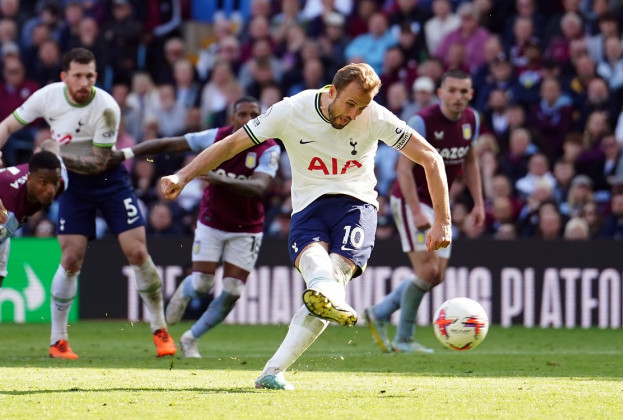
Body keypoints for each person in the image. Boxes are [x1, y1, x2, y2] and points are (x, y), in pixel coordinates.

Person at [160, 63, 451, 390]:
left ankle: (273, 369)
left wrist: (443, 219)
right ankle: (318, 312)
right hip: (309, 206)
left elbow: (430, 157)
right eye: (349, 105)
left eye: (363, 107)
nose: (354, 115)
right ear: (332, 92)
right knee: (321, 280)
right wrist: (183, 176)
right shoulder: (291, 110)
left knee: (331, 280)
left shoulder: (376, 116)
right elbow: (231, 145)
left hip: (356, 204)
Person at [0, 48, 176, 359]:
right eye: (78, 76)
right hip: (69, 183)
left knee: (137, 251)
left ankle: (160, 328)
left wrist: (54, 153)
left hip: (109, 181)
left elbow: (97, 163)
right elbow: (7, 127)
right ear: (64, 77)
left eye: (90, 75)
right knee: (70, 259)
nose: (85, 82)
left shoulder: (106, 106)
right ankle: (58, 340)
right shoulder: (47, 96)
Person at [110, 97, 280, 358]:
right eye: (242, 114)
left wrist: (216, 178)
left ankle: (191, 338)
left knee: (234, 289)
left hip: (247, 227)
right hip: (212, 221)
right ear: (232, 118)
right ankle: (183, 292)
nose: (248, 120)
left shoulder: (269, 148)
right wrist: (128, 153)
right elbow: (172, 143)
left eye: (253, 115)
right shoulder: (215, 137)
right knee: (202, 283)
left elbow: (259, 187)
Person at [364, 69, 485, 354]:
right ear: (441, 93)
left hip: (438, 203)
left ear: (471, 94)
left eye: (463, 91)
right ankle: (403, 338)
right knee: (427, 269)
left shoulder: (472, 120)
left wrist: (479, 203)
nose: (458, 97)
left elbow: (470, 162)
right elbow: (403, 169)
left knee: (436, 275)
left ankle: (379, 312)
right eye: (452, 90)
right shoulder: (423, 121)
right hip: (411, 200)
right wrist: (416, 211)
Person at [0, 140, 65, 288]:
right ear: (29, 179)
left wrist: (50, 152)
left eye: (54, 183)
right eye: (44, 183)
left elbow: (50, 143)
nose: (51, 190)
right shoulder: (7, 193)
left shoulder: (57, 177)